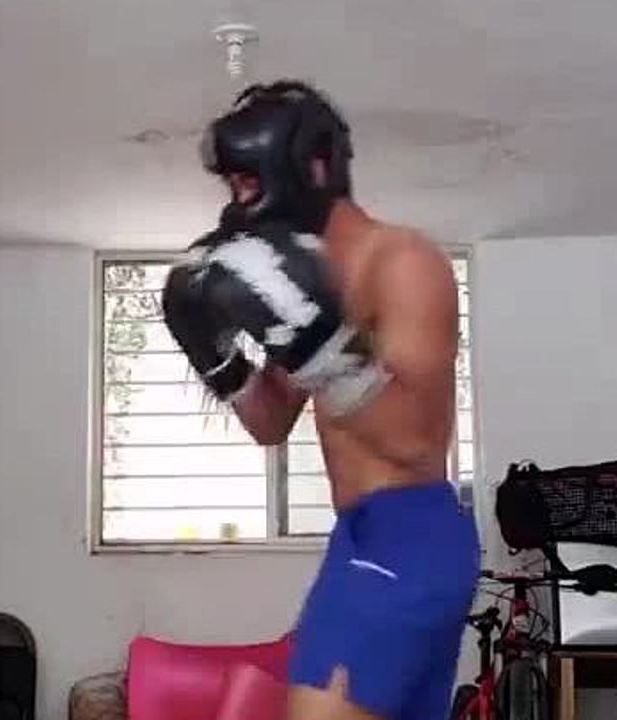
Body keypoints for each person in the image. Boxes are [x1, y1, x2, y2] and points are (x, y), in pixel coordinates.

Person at [162, 80, 481, 720]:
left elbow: (416, 440)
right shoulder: (294, 277)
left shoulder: (402, 261)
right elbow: (270, 423)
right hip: (358, 536)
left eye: (249, 181)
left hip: (410, 532)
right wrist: (218, 359)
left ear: (311, 167)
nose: (239, 201)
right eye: (233, 186)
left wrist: (316, 342)